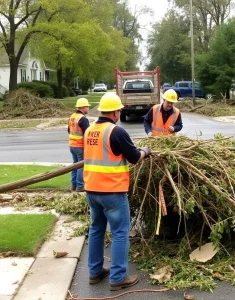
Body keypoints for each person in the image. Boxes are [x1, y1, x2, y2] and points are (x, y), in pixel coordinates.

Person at [83, 92, 150, 291]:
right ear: (114, 112)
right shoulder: (116, 131)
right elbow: (135, 158)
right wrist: (146, 151)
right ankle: (118, 277)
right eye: (119, 111)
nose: (120, 114)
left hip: (91, 190)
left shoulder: (89, 130)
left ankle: (94, 272)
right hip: (112, 191)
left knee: (96, 229)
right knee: (120, 232)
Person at [68, 98, 90, 192]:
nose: (88, 108)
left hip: (72, 145)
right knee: (81, 165)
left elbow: (69, 130)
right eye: (87, 107)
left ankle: (73, 185)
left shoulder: (72, 116)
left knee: (75, 165)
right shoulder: (83, 119)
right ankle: (80, 186)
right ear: (83, 107)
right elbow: (87, 133)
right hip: (80, 145)